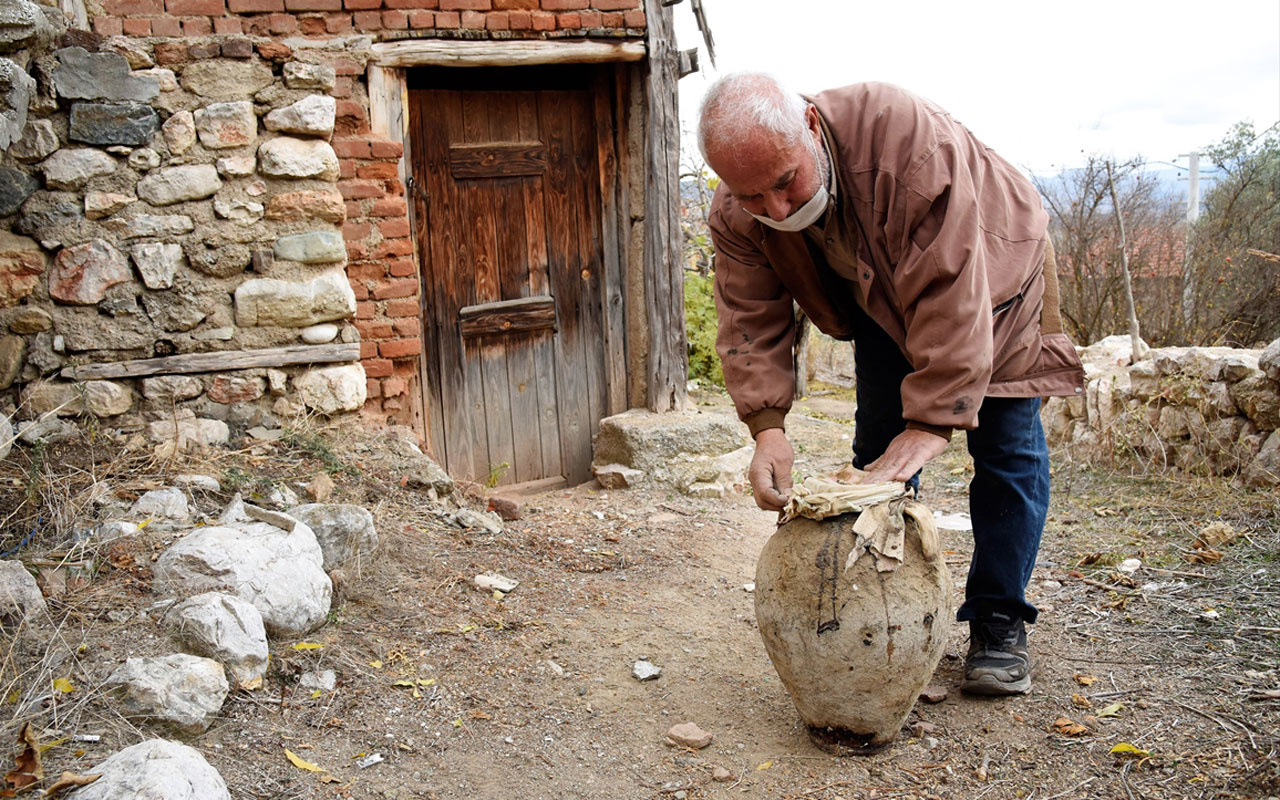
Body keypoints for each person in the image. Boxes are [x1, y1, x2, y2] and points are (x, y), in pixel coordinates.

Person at [698, 73, 1086, 696]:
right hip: (878, 298)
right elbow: (749, 318)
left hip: (995, 276)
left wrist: (932, 423)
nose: (777, 209)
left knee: (1005, 442)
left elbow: (953, 287)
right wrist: (766, 430)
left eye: (784, 182)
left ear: (813, 129)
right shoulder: (738, 212)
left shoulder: (907, 144)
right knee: (879, 451)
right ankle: (880, 614)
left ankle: (999, 618)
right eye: (751, 196)